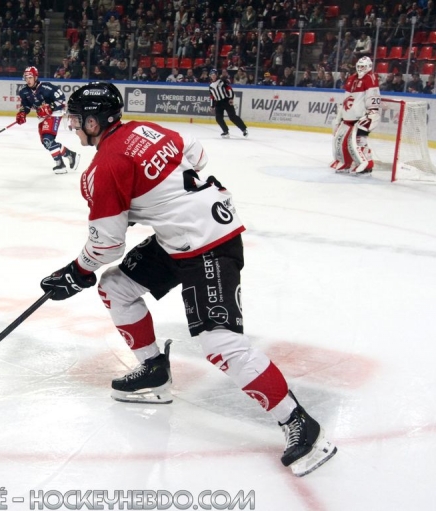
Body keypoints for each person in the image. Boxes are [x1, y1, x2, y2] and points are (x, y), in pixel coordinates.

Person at [39, 81, 337, 478]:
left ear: (94, 121)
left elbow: (107, 245)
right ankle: (154, 371)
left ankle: (301, 424)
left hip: (209, 245)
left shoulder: (106, 166)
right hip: (184, 236)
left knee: (219, 343)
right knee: (116, 286)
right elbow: (198, 153)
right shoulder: (146, 129)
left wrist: (76, 273)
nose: (73, 128)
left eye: (77, 121)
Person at [16, 66, 79, 174]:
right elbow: (26, 106)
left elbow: (61, 99)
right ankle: (70, 155)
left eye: (30, 77)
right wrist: (22, 113)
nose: (28, 80)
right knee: (47, 143)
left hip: (55, 113)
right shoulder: (24, 92)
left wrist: (50, 107)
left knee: (47, 139)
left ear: (35, 77)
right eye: (26, 77)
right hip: (42, 117)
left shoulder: (47, 87)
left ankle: (60, 165)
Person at [330, 56, 380, 174]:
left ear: (368, 66)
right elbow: (346, 98)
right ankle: (344, 161)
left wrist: (371, 114)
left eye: (363, 66)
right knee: (340, 140)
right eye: (359, 66)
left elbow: (373, 98)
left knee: (359, 140)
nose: (360, 69)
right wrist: (340, 116)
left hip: (360, 117)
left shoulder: (370, 78)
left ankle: (367, 164)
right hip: (349, 116)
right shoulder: (352, 78)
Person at [209, 68, 248, 138]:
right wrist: (212, 106)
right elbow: (212, 96)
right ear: (210, 76)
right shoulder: (211, 86)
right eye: (212, 75)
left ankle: (244, 129)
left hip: (226, 101)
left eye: (214, 75)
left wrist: (230, 98)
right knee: (218, 118)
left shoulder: (222, 81)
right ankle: (225, 131)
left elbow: (229, 90)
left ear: (217, 75)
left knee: (232, 117)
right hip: (218, 103)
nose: (213, 76)